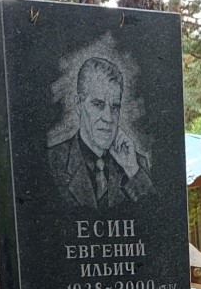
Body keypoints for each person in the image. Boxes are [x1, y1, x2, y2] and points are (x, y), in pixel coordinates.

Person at [46, 55, 151, 208]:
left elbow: (156, 212)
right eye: (98, 104)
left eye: (115, 107)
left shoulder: (136, 165)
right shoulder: (52, 162)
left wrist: (131, 170)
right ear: (78, 105)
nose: (108, 118)